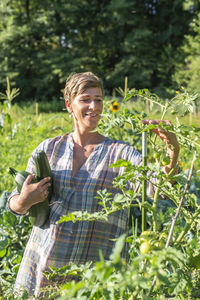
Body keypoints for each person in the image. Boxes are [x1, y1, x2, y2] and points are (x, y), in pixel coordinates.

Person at [8, 72, 180, 297]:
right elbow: (15, 204)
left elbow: (159, 189)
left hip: (98, 280)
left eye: (98, 99)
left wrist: (173, 152)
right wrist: (24, 200)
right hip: (44, 269)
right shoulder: (48, 150)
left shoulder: (121, 153)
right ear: (69, 105)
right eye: (85, 99)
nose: (94, 106)